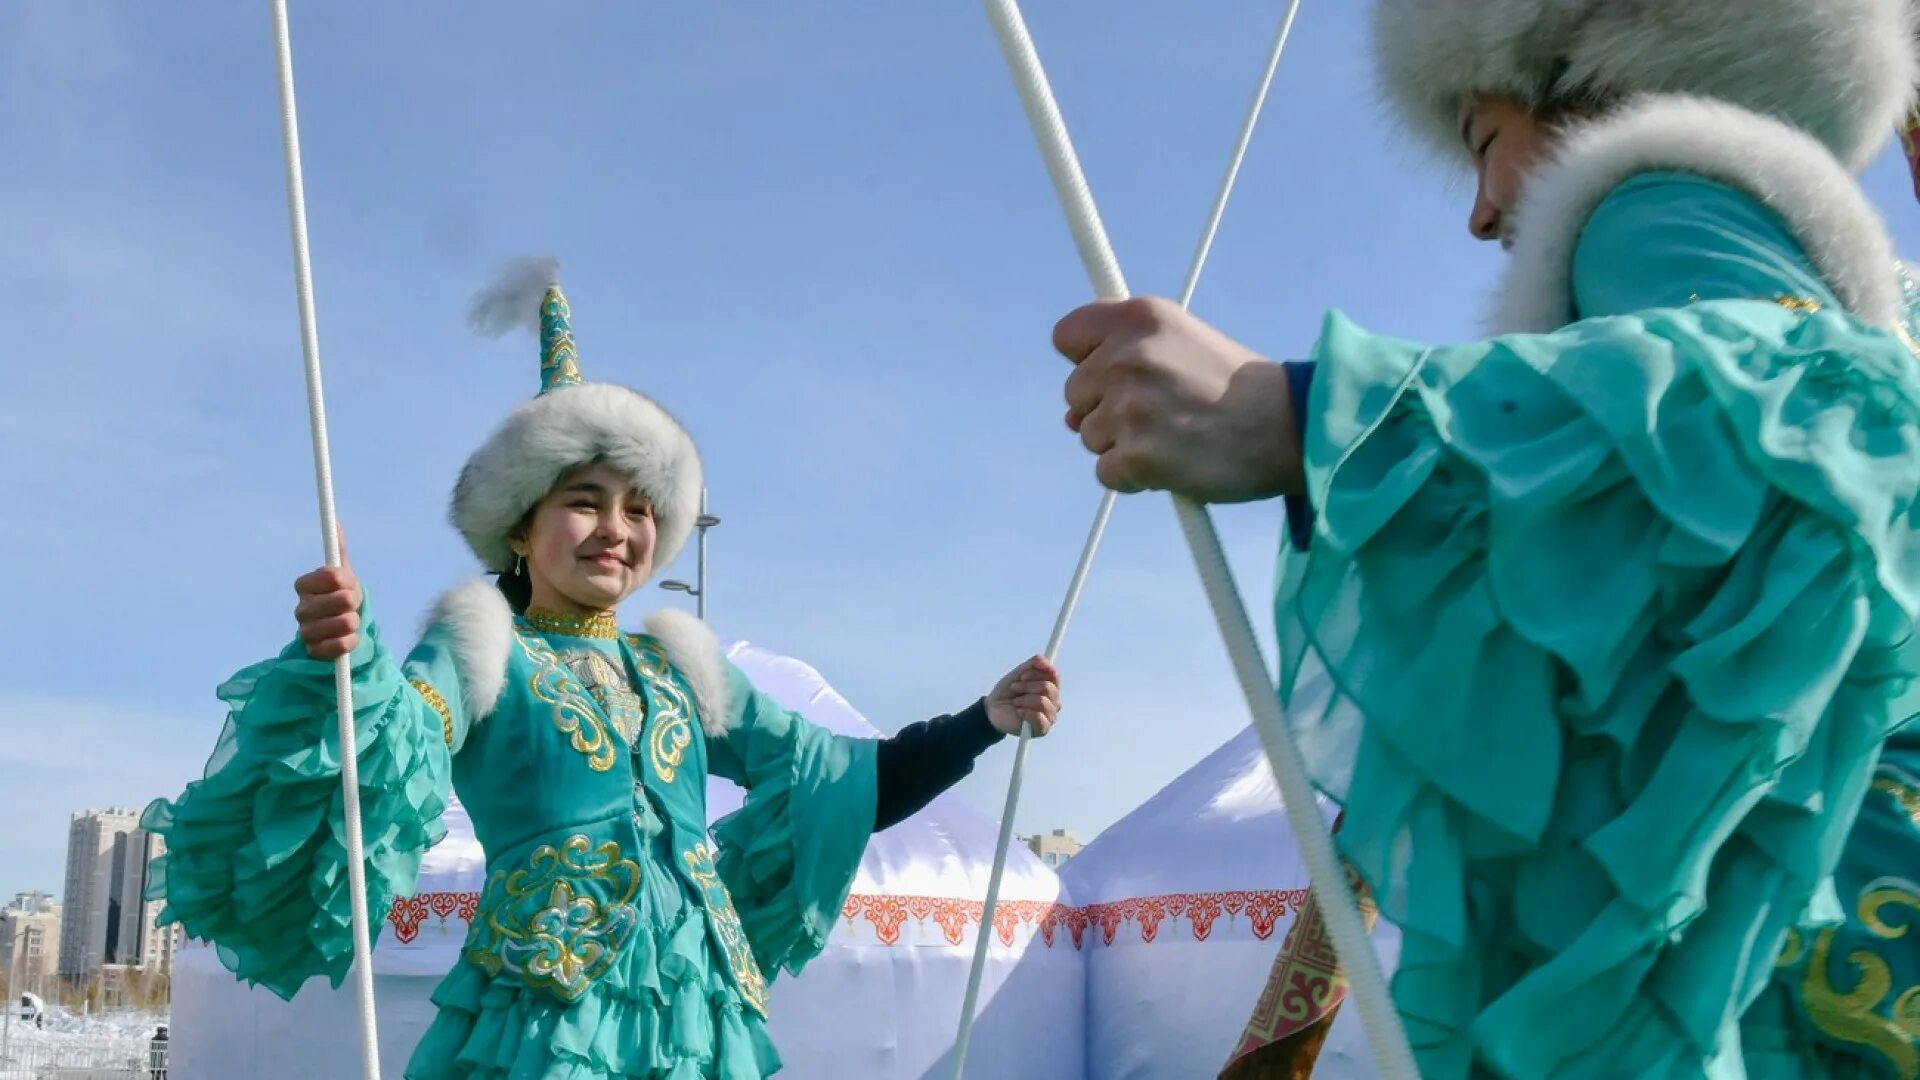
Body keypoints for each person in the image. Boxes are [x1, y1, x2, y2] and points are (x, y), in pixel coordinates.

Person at [1045, 1, 1920, 1076]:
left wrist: (1315, 417)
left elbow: (1821, 414)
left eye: (1481, 142)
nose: (1479, 212)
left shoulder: (1651, 195)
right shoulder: (1865, 292)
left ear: (1581, 72)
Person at [141, 261, 1063, 1079]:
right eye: (584, 503)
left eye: (637, 507)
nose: (616, 529)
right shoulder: (481, 645)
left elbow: (844, 781)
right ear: (519, 524)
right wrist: (344, 658)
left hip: (698, 1017)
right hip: (546, 1020)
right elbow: (394, 737)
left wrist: (983, 718)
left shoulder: (680, 668)